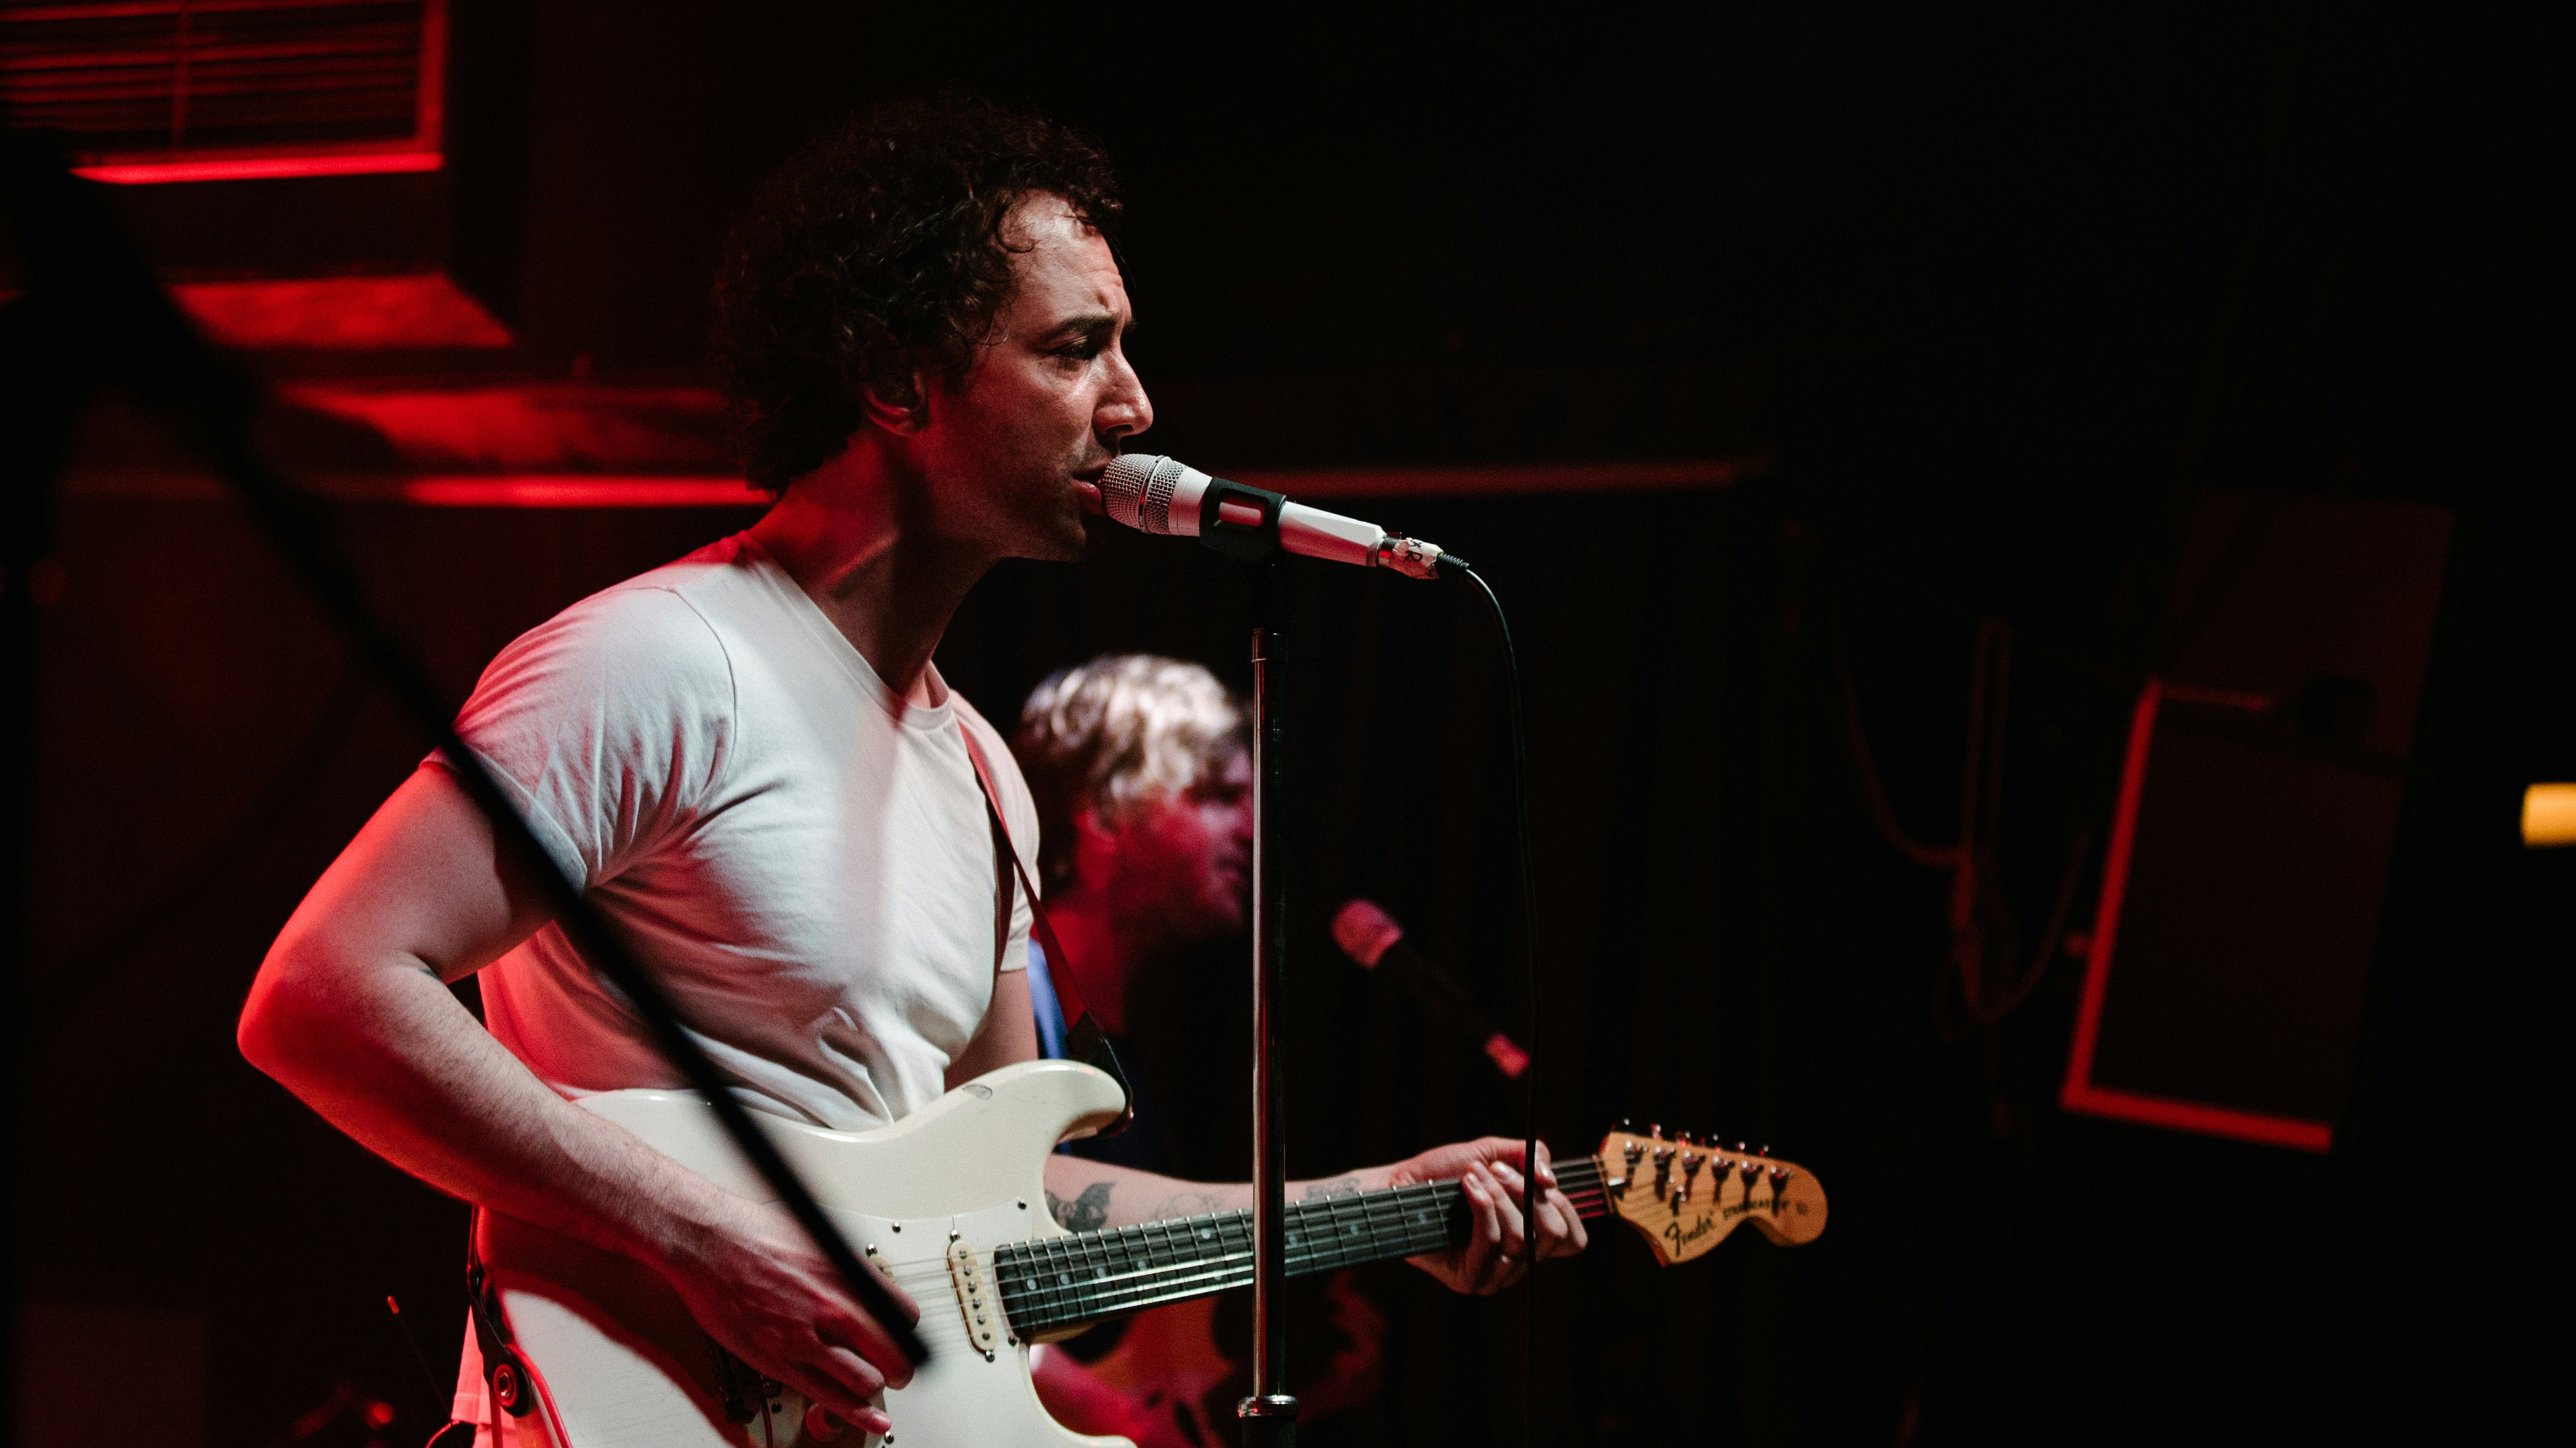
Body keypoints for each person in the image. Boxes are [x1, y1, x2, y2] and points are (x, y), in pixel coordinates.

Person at [234, 94, 1583, 1447]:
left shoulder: (980, 771)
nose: (1135, 402)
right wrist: (703, 1238)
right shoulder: (660, 661)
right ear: (894, 380)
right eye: (1075, 350)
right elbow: (319, 993)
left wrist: (1371, 1201)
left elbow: (1025, 1204)